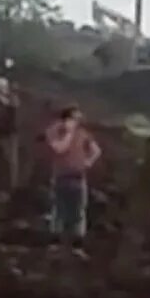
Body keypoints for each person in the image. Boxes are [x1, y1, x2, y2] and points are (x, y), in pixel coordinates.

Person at [45, 105, 101, 256]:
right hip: (61, 177)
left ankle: (78, 244)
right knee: (58, 210)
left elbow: (96, 150)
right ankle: (54, 242)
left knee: (79, 212)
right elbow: (59, 149)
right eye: (74, 119)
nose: (76, 122)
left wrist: (88, 162)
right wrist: (68, 134)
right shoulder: (54, 132)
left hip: (78, 177)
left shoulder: (83, 134)